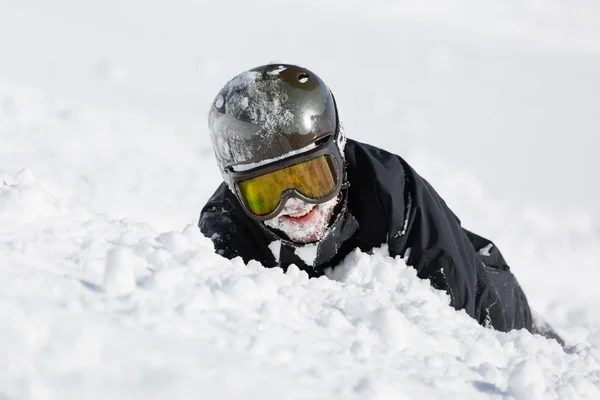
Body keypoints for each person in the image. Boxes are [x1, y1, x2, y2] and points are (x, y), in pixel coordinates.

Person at [199, 63, 562, 342]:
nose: (295, 205)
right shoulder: (225, 230)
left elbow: (479, 326)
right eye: (267, 192)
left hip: (493, 291)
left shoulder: (391, 193)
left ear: (338, 154)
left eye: (313, 180)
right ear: (235, 190)